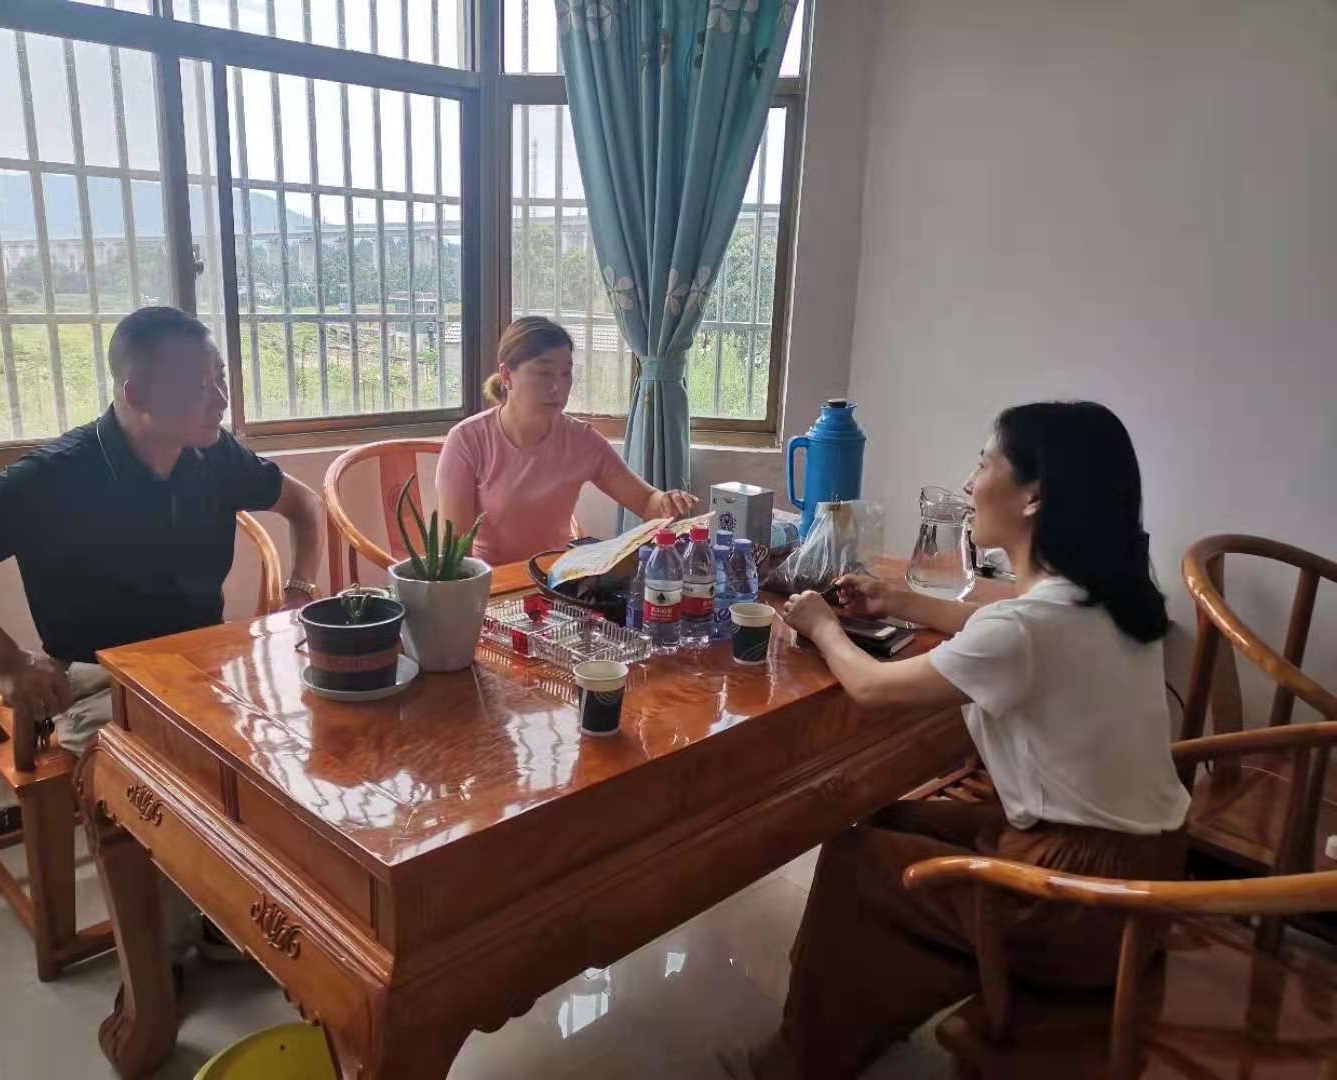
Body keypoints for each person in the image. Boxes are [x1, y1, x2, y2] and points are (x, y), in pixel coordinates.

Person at [746, 401, 1191, 1078]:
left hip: (1081, 905)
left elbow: (871, 687)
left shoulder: (1025, 630)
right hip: (1148, 873)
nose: (969, 481)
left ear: (1033, 496)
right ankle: (861, 1024)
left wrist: (821, 626)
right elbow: (1005, 620)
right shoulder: (1109, 595)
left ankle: (799, 1061)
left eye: (984, 464)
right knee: (890, 821)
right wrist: (896, 600)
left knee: (855, 859)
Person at [0, 306, 325, 967]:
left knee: (312, 730)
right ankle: (161, 963)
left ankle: (249, 916)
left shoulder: (214, 455)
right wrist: (5, 659)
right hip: (99, 679)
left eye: (221, 378)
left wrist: (299, 589)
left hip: (203, 666)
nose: (221, 398)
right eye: (201, 384)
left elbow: (305, 505)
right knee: (157, 779)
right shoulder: (55, 476)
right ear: (136, 393)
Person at [436, 316, 699, 566]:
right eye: (544, 373)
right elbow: (455, 556)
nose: (558, 387)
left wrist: (668, 501)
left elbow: (645, 501)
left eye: (566, 374)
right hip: (492, 584)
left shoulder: (581, 440)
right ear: (506, 376)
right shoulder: (467, 440)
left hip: (555, 579)